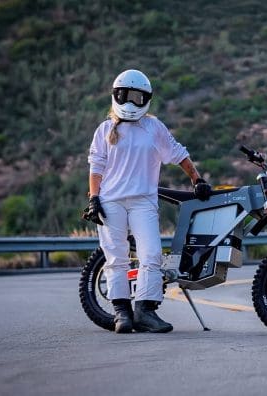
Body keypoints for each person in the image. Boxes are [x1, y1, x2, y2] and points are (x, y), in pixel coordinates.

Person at [83, 69, 212, 333]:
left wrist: (197, 179)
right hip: (110, 201)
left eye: (137, 97)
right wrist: (94, 198)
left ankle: (145, 311)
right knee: (116, 257)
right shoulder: (105, 129)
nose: (130, 103)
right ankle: (122, 314)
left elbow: (178, 154)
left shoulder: (154, 127)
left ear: (147, 99)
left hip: (143, 200)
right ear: (115, 96)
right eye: (125, 96)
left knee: (151, 253)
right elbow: (96, 168)